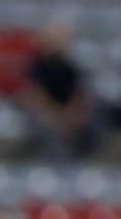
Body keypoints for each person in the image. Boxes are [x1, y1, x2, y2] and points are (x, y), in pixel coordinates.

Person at [18, 21, 98, 160]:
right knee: (46, 128)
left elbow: (79, 95)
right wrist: (56, 117)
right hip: (45, 115)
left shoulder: (70, 68)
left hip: (66, 116)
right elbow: (32, 94)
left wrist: (70, 115)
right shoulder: (36, 66)